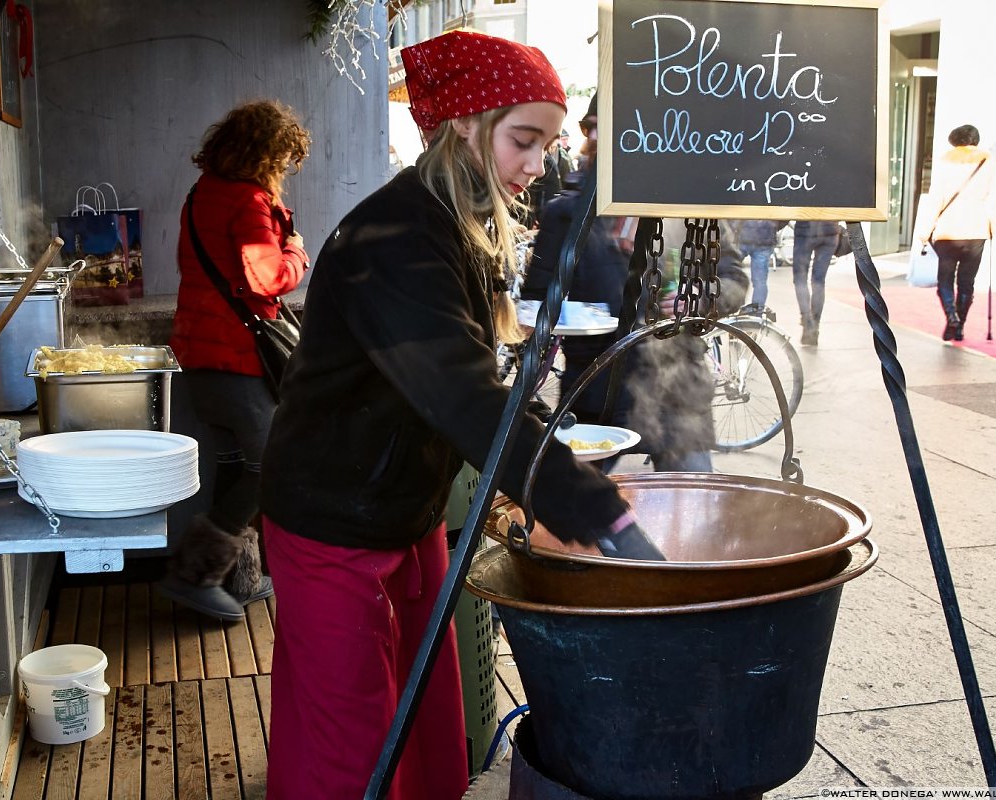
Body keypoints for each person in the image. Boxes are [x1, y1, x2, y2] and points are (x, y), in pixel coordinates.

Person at [257, 30, 663, 800]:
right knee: (349, 742)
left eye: (546, 143)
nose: (538, 164)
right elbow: (463, 393)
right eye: (523, 140)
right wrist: (593, 507)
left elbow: (476, 376)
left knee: (428, 720)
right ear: (464, 127)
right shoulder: (397, 234)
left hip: (402, 507)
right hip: (332, 518)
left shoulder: (455, 222)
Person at [522, 95, 748, 474]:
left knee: (692, 511)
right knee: (581, 519)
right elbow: (534, 300)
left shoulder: (689, 211)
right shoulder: (567, 216)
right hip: (593, 390)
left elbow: (735, 280)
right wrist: (545, 317)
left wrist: (700, 297)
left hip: (678, 396)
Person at [160, 100, 311, 622]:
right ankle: (194, 576)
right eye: (284, 159)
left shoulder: (201, 193)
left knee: (235, 463)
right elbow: (264, 279)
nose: (284, 171)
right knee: (270, 463)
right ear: (264, 153)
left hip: (199, 355)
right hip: (237, 359)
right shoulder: (247, 200)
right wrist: (297, 253)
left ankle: (240, 576)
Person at [917, 124, 996, 341]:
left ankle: (951, 316)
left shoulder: (946, 160)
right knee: (966, 282)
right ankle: (960, 326)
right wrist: (993, 226)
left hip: (948, 230)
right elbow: (995, 197)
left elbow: (936, 198)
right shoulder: (988, 161)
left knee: (944, 280)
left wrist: (924, 231)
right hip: (976, 229)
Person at [791, 220, 841, 346]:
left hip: (805, 230)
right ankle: (815, 325)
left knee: (800, 278)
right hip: (830, 231)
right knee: (818, 281)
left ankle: (807, 322)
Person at [734, 219, 787, 310]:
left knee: (729, 271)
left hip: (745, 235)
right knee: (760, 280)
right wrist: (774, 226)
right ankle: (757, 309)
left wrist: (735, 226)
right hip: (765, 238)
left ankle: (729, 305)